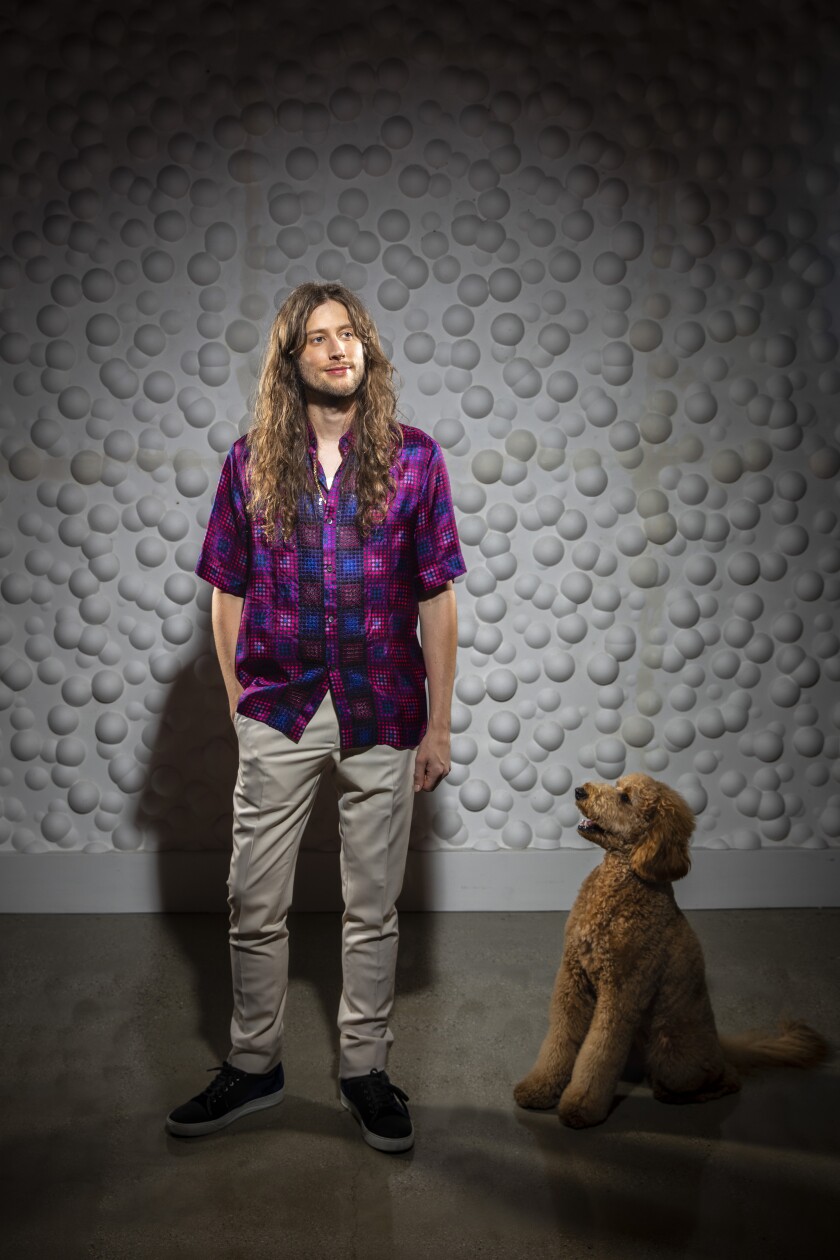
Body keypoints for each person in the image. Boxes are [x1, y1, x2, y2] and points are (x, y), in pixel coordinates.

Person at [166, 282, 465, 1152]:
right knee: (253, 898)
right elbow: (226, 592)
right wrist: (240, 703)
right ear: (291, 360)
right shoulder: (250, 461)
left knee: (372, 906)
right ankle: (254, 1064)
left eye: (351, 336)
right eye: (321, 339)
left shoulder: (416, 459)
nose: (340, 350)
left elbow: (436, 599)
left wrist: (439, 726)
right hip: (281, 707)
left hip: (386, 705)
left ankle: (365, 1072)